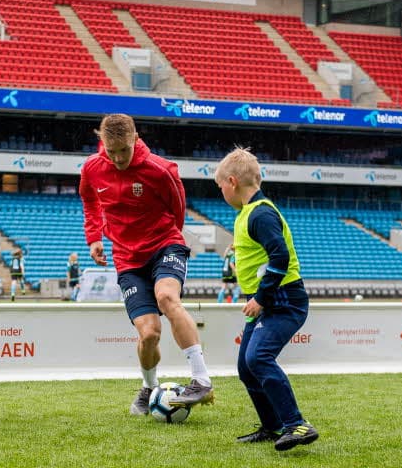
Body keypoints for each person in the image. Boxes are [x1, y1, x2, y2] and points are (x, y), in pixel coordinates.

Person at [79, 113, 213, 415]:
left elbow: (177, 210)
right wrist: (94, 237)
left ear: (135, 138)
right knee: (149, 333)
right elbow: (89, 201)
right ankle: (149, 387)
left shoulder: (160, 169)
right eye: (110, 151)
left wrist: (165, 240)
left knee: (166, 297)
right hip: (126, 258)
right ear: (102, 143)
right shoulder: (92, 168)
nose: (117, 158)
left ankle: (202, 379)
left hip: (164, 244)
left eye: (123, 150)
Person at [215, 147, 318, 451]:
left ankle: (297, 425)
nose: (221, 191)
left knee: (258, 358)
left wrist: (260, 297)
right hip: (269, 300)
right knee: (247, 367)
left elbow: (280, 256)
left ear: (232, 181)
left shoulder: (260, 213)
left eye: (220, 185)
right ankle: (273, 426)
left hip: (283, 300)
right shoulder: (249, 213)